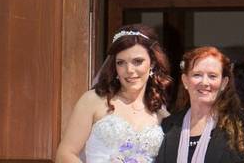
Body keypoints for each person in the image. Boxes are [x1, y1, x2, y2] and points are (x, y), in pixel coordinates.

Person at [56, 24, 173, 163]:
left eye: (137, 61)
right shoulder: (93, 101)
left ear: (152, 63)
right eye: (121, 62)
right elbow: (65, 154)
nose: (129, 70)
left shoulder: (160, 111)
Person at [155, 46, 244, 163]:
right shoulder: (168, 125)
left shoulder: (240, 127)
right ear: (185, 81)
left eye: (212, 76)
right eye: (197, 75)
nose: (204, 82)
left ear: (224, 83)